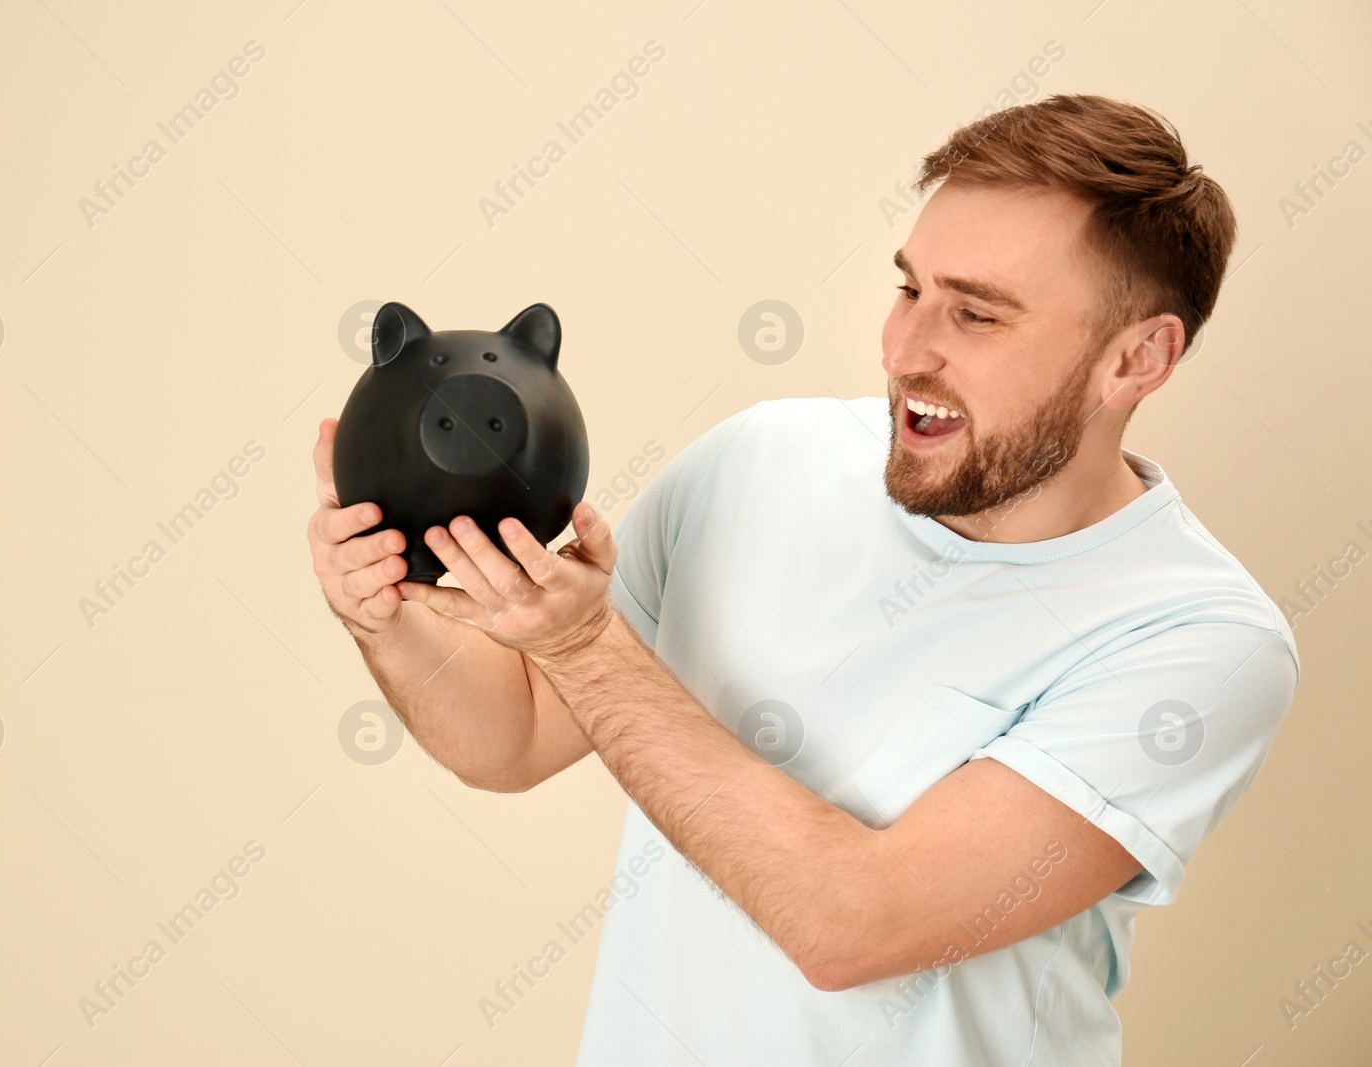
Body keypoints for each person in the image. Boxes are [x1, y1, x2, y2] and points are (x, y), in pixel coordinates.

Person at [308, 93, 1299, 1066]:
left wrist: (579, 641)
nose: (905, 349)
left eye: (977, 314)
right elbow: (514, 737)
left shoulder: (1198, 639)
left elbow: (851, 926)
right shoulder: (761, 458)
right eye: (910, 288)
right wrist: (385, 615)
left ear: (1137, 357)